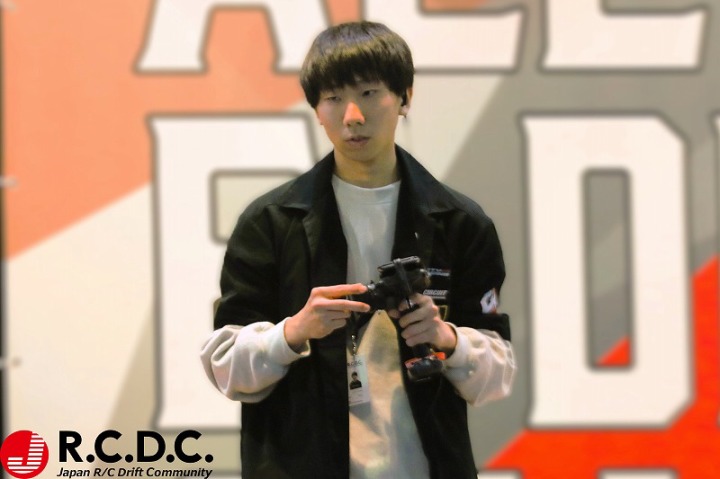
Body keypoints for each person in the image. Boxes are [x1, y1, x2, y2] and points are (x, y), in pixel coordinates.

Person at [201, 21, 516, 479]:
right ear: (316, 110)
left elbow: (498, 374)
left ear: (405, 97)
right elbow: (224, 365)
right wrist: (293, 332)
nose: (352, 115)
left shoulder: (459, 222)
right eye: (333, 98)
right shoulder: (271, 222)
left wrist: (447, 338)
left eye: (369, 93)